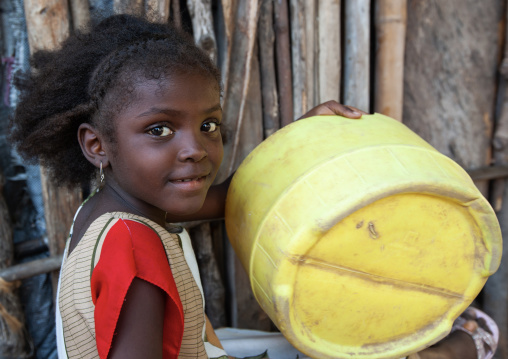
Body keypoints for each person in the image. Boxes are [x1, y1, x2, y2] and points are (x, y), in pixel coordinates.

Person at [9, 14, 496, 359]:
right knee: (402, 347)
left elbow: (234, 195)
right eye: (159, 129)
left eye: (209, 125)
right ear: (97, 145)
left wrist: (301, 142)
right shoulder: (136, 249)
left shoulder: (113, 211)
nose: (195, 149)